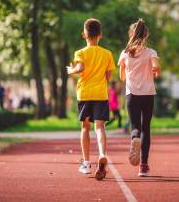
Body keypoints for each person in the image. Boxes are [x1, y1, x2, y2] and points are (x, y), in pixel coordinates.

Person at [67, 18, 115, 181]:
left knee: (85, 128)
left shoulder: (80, 53)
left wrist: (70, 70)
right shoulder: (107, 53)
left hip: (85, 94)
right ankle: (102, 154)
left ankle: (86, 164)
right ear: (100, 35)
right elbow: (108, 76)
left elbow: (80, 68)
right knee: (100, 127)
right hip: (101, 95)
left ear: (84, 34)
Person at [118, 18, 161, 177]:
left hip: (132, 95)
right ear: (146, 35)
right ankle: (143, 166)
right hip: (148, 95)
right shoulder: (151, 52)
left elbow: (122, 77)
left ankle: (134, 137)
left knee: (135, 126)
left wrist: (128, 71)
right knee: (146, 128)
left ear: (131, 34)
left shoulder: (124, 53)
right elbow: (156, 68)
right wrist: (154, 71)